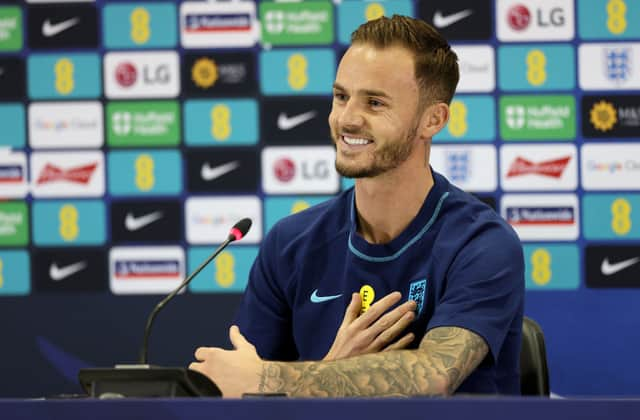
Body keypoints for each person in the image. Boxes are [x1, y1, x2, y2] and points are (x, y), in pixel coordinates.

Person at [189, 15, 524, 398]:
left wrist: (279, 379)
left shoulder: (482, 242)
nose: (347, 119)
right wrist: (332, 368)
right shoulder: (290, 242)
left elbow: (433, 375)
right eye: (341, 96)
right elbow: (237, 391)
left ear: (433, 119)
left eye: (375, 102)